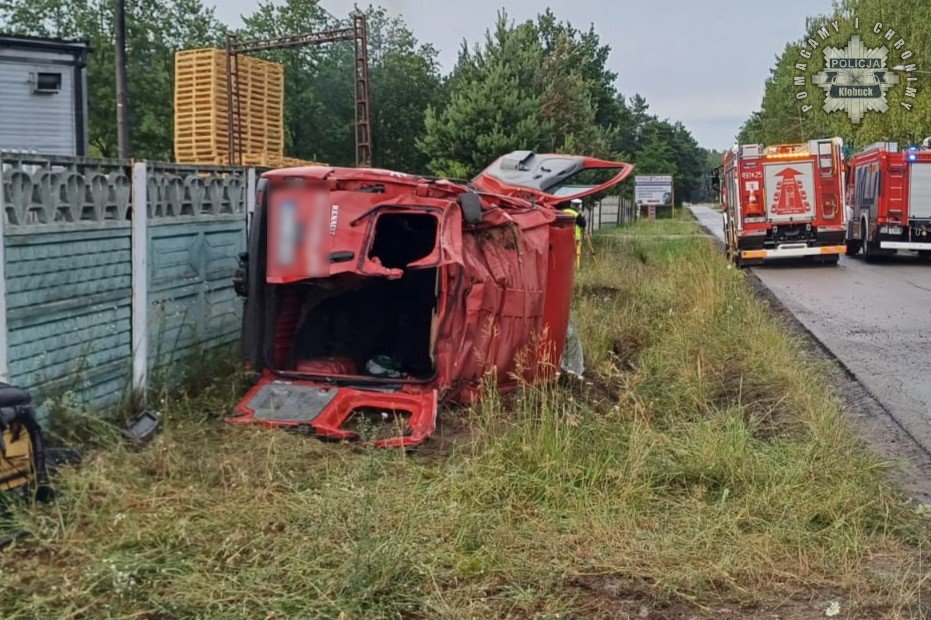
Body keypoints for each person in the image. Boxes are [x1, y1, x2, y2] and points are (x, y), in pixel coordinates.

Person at [562, 198, 587, 268]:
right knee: (575, 254)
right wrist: (582, 217)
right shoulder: (577, 215)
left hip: (563, 237)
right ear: (579, 206)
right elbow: (583, 224)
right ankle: (576, 267)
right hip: (575, 237)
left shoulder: (564, 211)